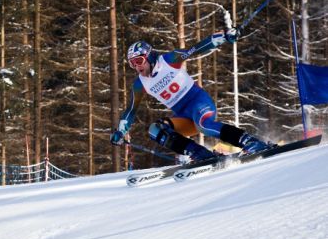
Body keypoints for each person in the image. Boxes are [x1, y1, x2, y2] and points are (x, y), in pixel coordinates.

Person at [110, 28, 271, 161]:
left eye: (139, 61)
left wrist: (224, 37)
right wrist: (120, 131)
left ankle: (251, 142)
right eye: (132, 64)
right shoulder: (140, 84)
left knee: (204, 125)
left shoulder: (169, 60)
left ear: (149, 56)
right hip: (184, 117)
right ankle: (200, 154)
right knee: (156, 130)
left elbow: (196, 49)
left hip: (199, 103)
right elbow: (131, 110)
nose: (137, 67)